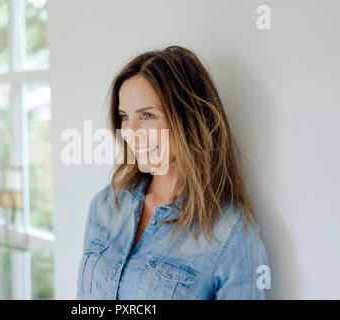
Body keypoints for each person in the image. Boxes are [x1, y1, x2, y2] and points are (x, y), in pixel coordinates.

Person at [76, 45, 269, 299]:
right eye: (124, 116)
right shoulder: (104, 205)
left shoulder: (232, 233)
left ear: (188, 119)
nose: (130, 132)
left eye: (147, 115)